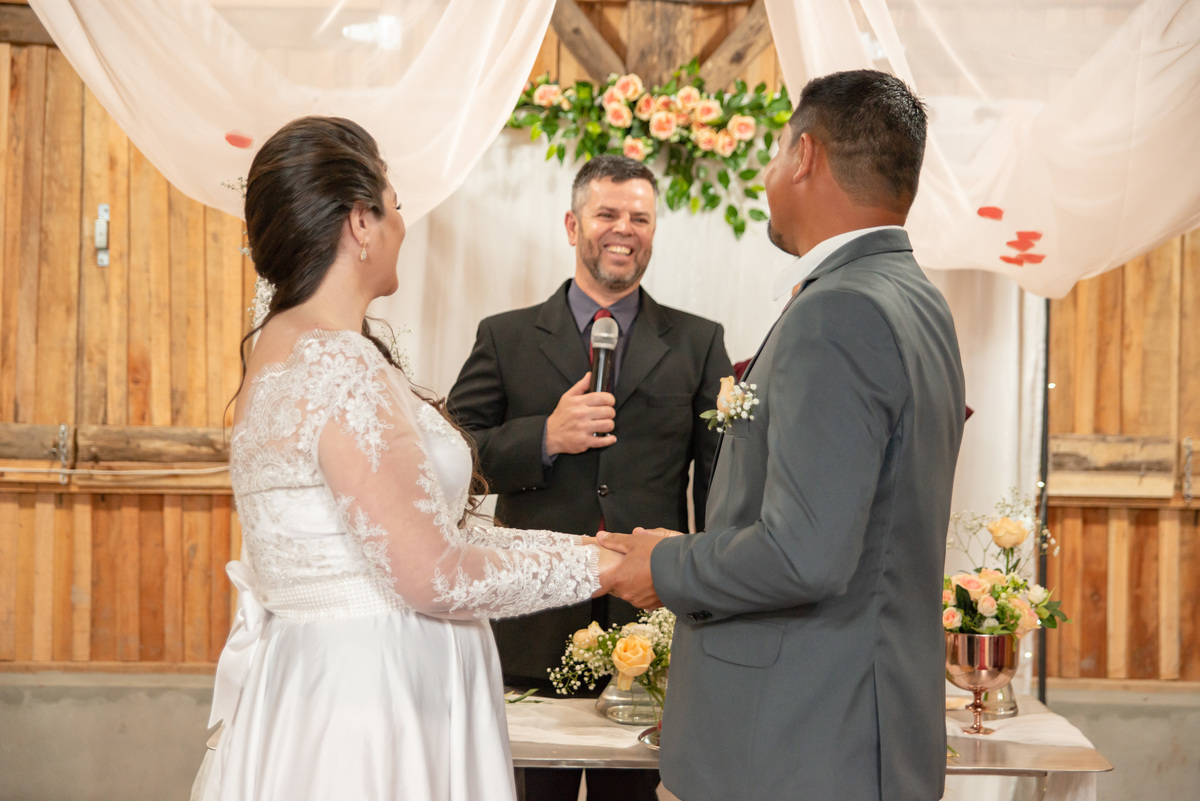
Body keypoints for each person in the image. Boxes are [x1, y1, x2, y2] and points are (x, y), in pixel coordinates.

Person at [202, 116, 619, 801]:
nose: (402, 225)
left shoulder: (278, 347)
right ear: (359, 224)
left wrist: (577, 546)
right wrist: (601, 565)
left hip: (311, 678)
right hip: (375, 696)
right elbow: (435, 572)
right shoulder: (336, 360)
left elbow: (405, 534)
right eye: (394, 208)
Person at [599, 70, 967, 801]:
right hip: (859, 728)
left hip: (795, 746)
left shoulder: (841, 312)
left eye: (773, 152)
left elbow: (805, 552)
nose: (768, 174)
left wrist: (666, 563)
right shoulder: (918, 300)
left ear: (805, 156)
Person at [447, 155, 732, 801]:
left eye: (640, 217)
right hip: (532, 620)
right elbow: (450, 457)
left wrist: (713, 591)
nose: (623, 229)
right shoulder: (505, 336)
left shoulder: (697, 341)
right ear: (573, 224)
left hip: (646, 622)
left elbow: (718, 482)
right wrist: (542, 437)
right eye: (607, 213)